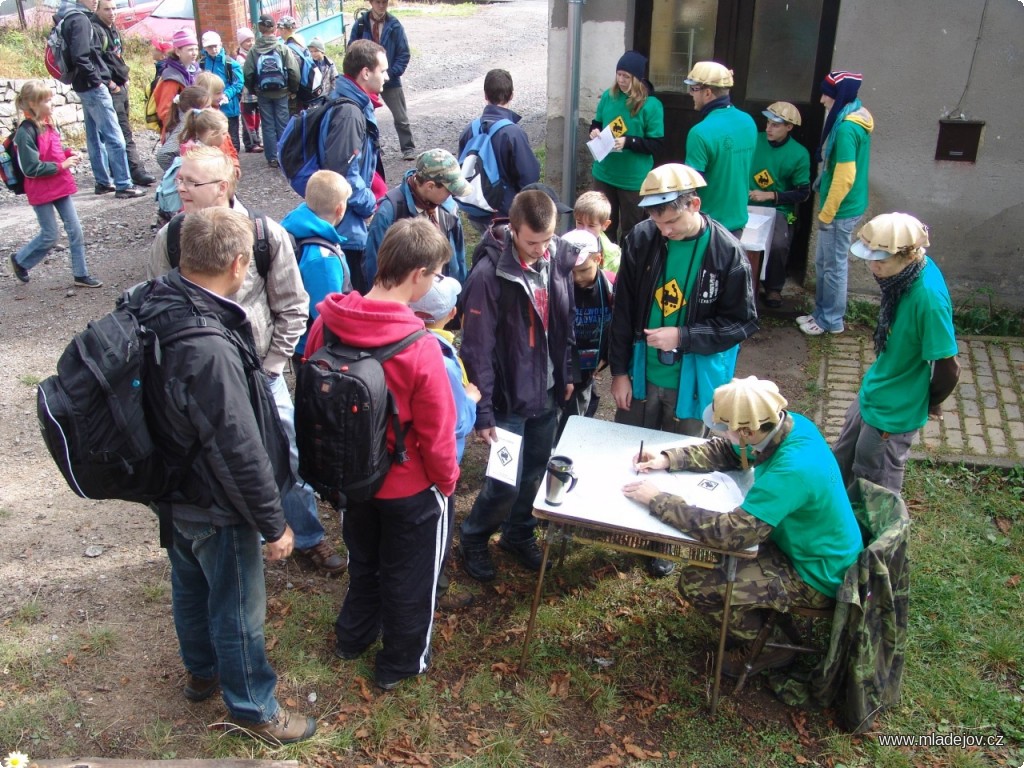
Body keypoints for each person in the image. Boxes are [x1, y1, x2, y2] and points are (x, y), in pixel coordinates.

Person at [139, 206, 315, 744]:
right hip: (215, 500)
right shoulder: (208, 344)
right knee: (238, 606)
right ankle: (253, 708)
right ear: (240, 264)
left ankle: (201, 671)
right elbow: (237, 446)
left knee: (189, 583)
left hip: (171, 485)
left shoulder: (154, 302)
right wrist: (273, 524)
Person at [148, 145, 346, 577]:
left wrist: (272, 367)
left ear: (222, 187)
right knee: (210, 460)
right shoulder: (171, 238)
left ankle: (308, 536)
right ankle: (234, 537)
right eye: (179, 178)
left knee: (286, 457)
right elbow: (157, 305)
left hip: (261, 376)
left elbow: (294, 305)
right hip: (199, 383)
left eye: (190, 182)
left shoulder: (264, 234)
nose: (178, 187)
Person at [622, 376, 863, 677]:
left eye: (728, 429)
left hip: (817, 574)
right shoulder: (784, 426)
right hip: (810, 548)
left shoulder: (793, 470)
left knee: (697, 584)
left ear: (747, 431)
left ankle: (773, 648)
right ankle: (762, 614)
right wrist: (668, 459)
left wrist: (659, 501)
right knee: (719, 564)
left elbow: (730, 533)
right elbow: (730, 452)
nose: (723, 434)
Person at [307, 218, 459, 691]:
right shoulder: (419, 347)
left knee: (365, 560)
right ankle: (399, 661)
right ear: (417, 273)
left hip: (351, 480)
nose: (433, 284)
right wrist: (447, 483)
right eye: (434, 275)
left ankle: (352, 637)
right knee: (411, 576)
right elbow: (437, 431)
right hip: (408, 485)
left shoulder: (327, 322)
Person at [608, 163, 758, 578]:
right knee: (631, 449)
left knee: (680, 459)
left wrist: (685, 336)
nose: (664, 231)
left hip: (693, 384)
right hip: (642, 373)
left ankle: (667, 543)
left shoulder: (727, 253)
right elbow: (621, 308)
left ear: (694, 204)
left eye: (671, 221)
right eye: (656, 221)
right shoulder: (642, 238)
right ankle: (622, 521)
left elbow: (743, 323)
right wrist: (619, 371)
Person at [457, 190, 577, 582]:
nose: (542, 250)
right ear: (512, 230)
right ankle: (473, 538)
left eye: (547, 240)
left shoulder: (558, 256)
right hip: (508, 400)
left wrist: (568, 371)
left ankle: (518, 532)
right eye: (532, 242)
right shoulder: (488, 277)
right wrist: (485, 412)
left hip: (546, 391)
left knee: (535, 471)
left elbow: (564, 320)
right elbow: (476, 350)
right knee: (503, 482)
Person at [831, 213, 960, 493]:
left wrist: (927, 400)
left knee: (873, 480)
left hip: (895, 410)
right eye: (870, 258)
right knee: (841, 459)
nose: (872, 267)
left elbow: (948, 368)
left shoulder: (928, 299)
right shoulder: (902, 274)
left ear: (908, 254)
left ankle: (876, 534)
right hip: (876, 389)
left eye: (881, 261)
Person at [409, 274, 480, 610]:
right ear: (452, 313)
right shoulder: (442, 358)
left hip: (408, 461)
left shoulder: (406, 342)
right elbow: (457, 423)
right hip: (438, 466)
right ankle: (432, 587)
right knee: (436, 528)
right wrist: (470, 398)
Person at [799, 70, 874, 336]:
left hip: (840, 210)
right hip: (842, 207)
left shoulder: (846, 128)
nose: (821, 100)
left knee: (833, 266)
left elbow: (844, 176)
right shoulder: (853, 116)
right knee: (825, 262)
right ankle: (821, 313)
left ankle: (830, 320)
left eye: (826, 94)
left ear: (838, 96)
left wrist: (827, 213)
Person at [8, 80, 101, 288]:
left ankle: (80, 274)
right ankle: (20, 260)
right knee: (50, 235)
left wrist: (69, 154)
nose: (53, 104)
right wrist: (62, 165)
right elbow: (30, 169)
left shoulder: (50, 123)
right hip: (41, 190)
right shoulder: (25, 132)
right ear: (33, 103)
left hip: (60, 185)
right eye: (48, 100)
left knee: (75, 229)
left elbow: (55, 152)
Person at [56, 0, 145, 198]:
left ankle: (103, 182)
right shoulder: (80, 19)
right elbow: (82, 57)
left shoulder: (70, 16)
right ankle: (123, 184)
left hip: (83, 85)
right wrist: (99, 82)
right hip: (92, 86)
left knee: (94, 137)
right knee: (114, 136)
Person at [321, 39, 389, 294]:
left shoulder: (353, 102)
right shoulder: (350, 113)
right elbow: (342, 174)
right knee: (356, 293)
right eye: (382, 71)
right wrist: (370, 204)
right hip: (349, 225)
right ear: (365, 72)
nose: (386, 76)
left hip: (351, 218)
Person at [589, 51, 664, 244]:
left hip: (632, 180)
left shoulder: (651, 105)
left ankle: (629, 268)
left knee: (632, 229)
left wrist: (628, 142)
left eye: (626, 77)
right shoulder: (609, 95)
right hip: (604, 174)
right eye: (619, 74)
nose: (621, 80)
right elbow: (597, 122)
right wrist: (595, 132)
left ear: (637, 79)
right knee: (603, 226)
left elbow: (656, 145)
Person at [364, 148, 469, 286]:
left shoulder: (448, 207)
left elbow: (460, 258)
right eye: (450, 191)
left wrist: (459, 295)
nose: (452, 196)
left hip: (445, 299)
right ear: (430, 186)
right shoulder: (390, 212)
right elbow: (374, 268)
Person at [457, 69, 541, 235]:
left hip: (476, 208)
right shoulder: (513, 132)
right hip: (503, 213)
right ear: (511, 96)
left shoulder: (470, 130)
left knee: (487, 249)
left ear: (485, 95)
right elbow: (529, 176)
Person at [280, 169, 353, 358]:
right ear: (340, 209)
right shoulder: (323, 259)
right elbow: (328, 318)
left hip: (301, 339)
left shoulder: (296, 226)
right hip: (313, 348)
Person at [747, 101, 811, 309]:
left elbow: (803, 193)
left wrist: (770, 196)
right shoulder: (753, 140)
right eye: (767, 123)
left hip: (777, 210)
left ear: (789, 127)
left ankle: (774, 287)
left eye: (775, 125)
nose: (768, 128)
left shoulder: (799, 154)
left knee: (777, 245)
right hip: (744, 204)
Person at [683, 61, 756, 236]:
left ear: (707, 92)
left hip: (708, 225)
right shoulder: (748, 122)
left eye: (694, 89)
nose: (690, 94)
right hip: (737, 222)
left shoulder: (700, 132)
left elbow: (691, 186)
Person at [557, 229, 614, 439]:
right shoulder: (558, 285)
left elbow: (620, 325)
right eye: (570, 271)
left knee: (578, 414)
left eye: (583, 270)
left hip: (591, 364)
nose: (576, 277)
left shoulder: (611, 286)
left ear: (598, 259)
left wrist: (608, 356)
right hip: (562, 364)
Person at [91, 0, 154, 186]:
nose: (112, 13)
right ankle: (135, 171)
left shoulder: (112, 29)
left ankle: (117, 171)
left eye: (114, 9)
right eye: (107, 9)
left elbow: (116, 56)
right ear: (98, 9)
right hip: (111, 89)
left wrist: (124, 80)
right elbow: (94, 61)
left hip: (120, 86)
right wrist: (110, 84)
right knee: (121, 132)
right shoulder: (95, 30)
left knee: (118, 132)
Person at [348, 0, 416, 160]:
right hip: (365, 80)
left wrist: (390, 73)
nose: (381, 5)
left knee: (401, 116)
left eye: (384, 2)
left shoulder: (394, 25)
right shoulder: (360, 25)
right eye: (378, 2)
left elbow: (404, 53)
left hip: (390, 79)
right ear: (371, 3)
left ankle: (408, 148)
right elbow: (352, 51)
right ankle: (372, 148)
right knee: (365, 115)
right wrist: (360, 75)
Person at [243, 13, 300, 168]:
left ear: (260, 29)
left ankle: (272, 157)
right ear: (274, 28)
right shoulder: (282, 48)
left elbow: (247, 73)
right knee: (283, 123)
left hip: (263, 92)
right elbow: (293, 70)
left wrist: (254, 88)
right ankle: (284, 155)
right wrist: (292, 89)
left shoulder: (254, 51)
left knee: (267, 124)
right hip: (282, 92)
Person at [199, 31, 245, 153]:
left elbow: (239, 83)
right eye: (210, 47)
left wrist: (227, 95)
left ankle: (233, 163)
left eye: (215, 46)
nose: (213, 49)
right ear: (205, 48)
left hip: (229, 107)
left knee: (232, 137)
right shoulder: (202, 64)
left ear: (220, 44)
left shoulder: (230, 63)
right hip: (210, 107)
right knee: (213, 136)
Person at [152, 29, 199, 141]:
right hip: (180, 132)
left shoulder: (195, 70)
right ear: (178, 51)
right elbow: (165, 111)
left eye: (196, 49)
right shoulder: (171, 77)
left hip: (195, 127)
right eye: (190, 50)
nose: (195, 53)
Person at [155, 85, 212, 171]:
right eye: (207, 107)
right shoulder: (184, 127)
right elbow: (163, 155)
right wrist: (179, 173)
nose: (211, 109)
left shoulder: (189, 120)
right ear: (194, 110)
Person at [574, 189, 621, 273]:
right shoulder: (565, 245)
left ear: (605, 225)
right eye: (580, 223)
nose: (585, 231)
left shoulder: (614, 256)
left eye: (591, 226)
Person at [234, 27, 262, 154]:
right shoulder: (240, 59)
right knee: (249, 119)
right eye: (247, 41)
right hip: (246, 94)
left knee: (257, 118)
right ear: (241, 43)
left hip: (256, 94)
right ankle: (250, 143)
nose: (250, 43)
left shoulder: (255, 54)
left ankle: (257, 140)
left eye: (252, 40)